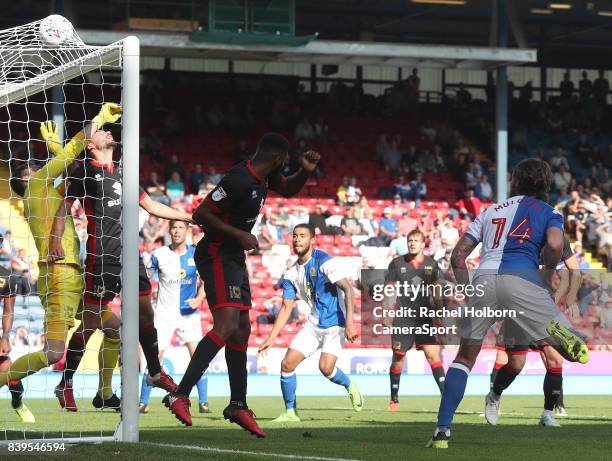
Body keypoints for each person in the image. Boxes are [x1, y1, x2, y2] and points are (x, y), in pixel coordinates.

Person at [163, 133, 320, 437]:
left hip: (232, 256)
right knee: (226, 325)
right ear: (276, 158)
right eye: (285, 162)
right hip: (216, 253)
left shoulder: (265, 177)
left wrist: (305, 172)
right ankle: (179, 393)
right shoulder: (238, 179)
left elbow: (287, 189)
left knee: (242, 330)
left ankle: (237, 404)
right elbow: (201, 214)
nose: (284, 167)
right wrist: (240, 235)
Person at [428, 158, 589, 449]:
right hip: (523, 280)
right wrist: (547, 275)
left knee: (464, 358)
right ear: (546, 183)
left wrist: (467, 290)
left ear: (515, 180)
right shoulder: (550, 212)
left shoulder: (490, 211)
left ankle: (442, 430)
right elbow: (554, 245)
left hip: (485, 279)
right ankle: (562, 334)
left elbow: (458, 255)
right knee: (559, 338)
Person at [51, 107, 193, 411]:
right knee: (90, 323)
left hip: (132, 253)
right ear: (90, 144)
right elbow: (63, 206)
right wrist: (54, 239)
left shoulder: (125, 170)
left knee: (145, 313)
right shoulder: (84, 171)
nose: (108, 131)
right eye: (101, 130)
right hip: (103, 255)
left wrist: (188, 216)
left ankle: (154, 372)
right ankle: (65, 383)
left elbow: (152, 205)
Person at [0, 109, 109, 412]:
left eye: (35, 169)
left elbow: (72, 169)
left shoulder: (48, 194)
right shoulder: (36, 189)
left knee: (114, 327)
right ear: (24, 184)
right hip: (59, 273)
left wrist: (56, 149)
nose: (34, 172)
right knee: (52, 354)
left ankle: (106, 391)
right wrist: (96, 121)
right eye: (28, 173)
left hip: (73, 274)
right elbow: (71, 154)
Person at [258, 224, 362, 421]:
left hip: (335, 324)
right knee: (287, 364)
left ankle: (349, 385)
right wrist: (271, 337)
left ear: (312, 240)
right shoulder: (291, 273)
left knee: (326, 368)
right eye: (295, 236)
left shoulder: (324, 261)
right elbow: (286, 307)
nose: (297, 239)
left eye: (302, 236)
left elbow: (348, 289)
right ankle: (291, 412)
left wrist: (350, 323)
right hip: (313, 325)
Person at [488, 235, 581, 427]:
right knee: (516, 364)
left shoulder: (559, 242)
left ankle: (548, 414)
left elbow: (573, 272)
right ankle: (494, 396)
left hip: (543, 311)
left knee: (555, 360)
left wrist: (568, 298)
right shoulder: (520, 241)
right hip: (519, 308)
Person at [139, 220, 209, 414]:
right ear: (169, 231)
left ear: (187, 231)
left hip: (189, 314)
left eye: (181, 228)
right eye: (174, 227)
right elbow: (145, 278)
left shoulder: (196, 254)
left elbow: (207, 281)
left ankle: (204, 402)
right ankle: (143, 402)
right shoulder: (159, 254)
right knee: (155, 357)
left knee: (198, 357)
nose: (177, 231)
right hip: (164, 314)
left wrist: (199, 298)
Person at [385, 230, 446, 411]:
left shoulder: (431, 264)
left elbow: (437, 289)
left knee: (433, 355)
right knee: (398, 359)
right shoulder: (396, 263)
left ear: (422, 244)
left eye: (415, 241)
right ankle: (394, 398)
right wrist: (386, 312)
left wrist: (440, 312)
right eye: (409, 240)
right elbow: (389, 290)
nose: (412, 243)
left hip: (424, 318)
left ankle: (446, 398)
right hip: (403, 318)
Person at [0, 261, 33, 422]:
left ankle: (18, 404)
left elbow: (8, 310)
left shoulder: (6, 277)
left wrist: (5, 337)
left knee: (11, 375)